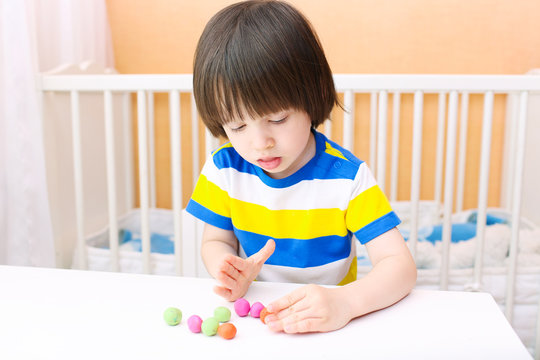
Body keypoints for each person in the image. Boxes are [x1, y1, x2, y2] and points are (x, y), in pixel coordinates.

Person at [187, 0, 417, 334]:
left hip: (331, 326)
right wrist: (225, 268)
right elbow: (215, 241)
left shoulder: (347, 178)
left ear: (312, 97)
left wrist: (346, 303)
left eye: (277, 118)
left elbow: (401, 267)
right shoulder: (224, 169)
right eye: (237, 127)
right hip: (258, 323)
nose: (259, 142)